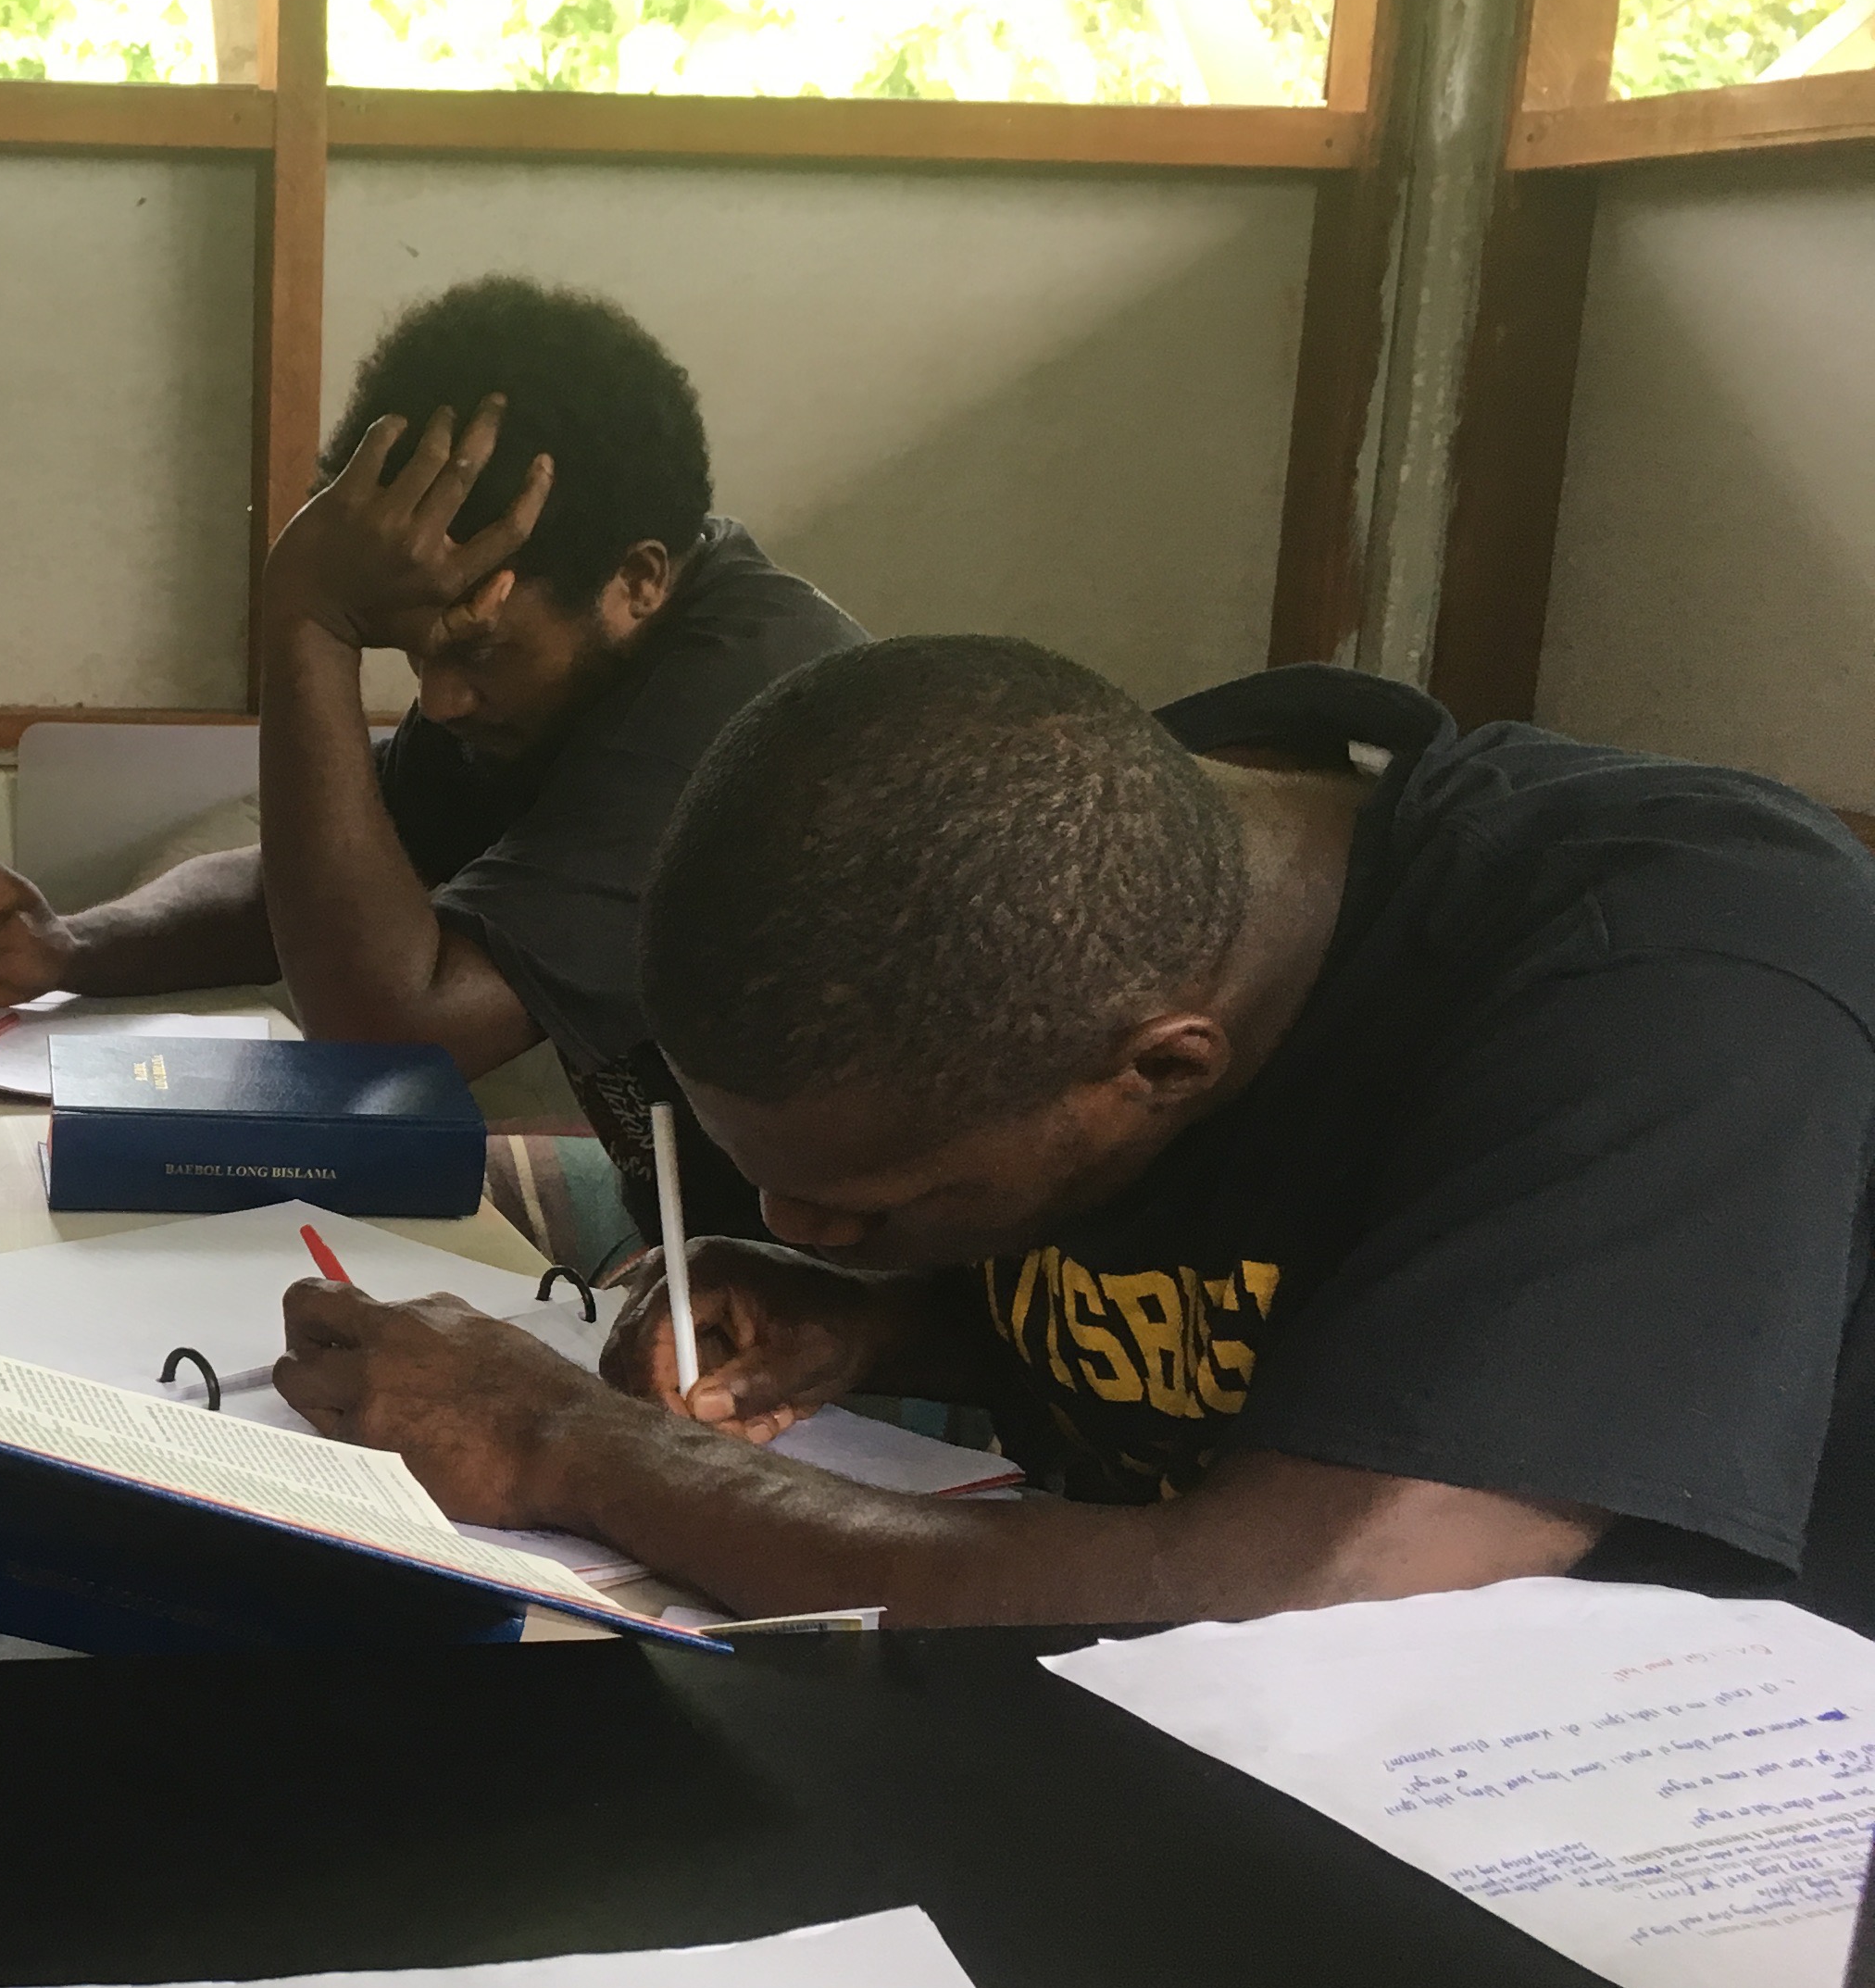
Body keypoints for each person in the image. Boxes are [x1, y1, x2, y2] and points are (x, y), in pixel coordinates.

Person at [271, 636, 1875, 1630]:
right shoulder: (1088, 876)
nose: (797, 1224)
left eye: (879, 1202)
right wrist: (885, 1311)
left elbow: (1321, 1588)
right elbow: (1267, 1309)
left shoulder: (1675, 978)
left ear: (1160, 1067)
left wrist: (577, 1448)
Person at [0, 277, 862, 1232]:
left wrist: (309, 617)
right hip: (697, 1255)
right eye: (415, 652)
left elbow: (393, 1030)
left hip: (841, 1313)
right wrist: (70, 945)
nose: (440, 699)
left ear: (637, 580)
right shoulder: (574, 658)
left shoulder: (740, 711)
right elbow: (315, 887)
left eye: (473, 654)